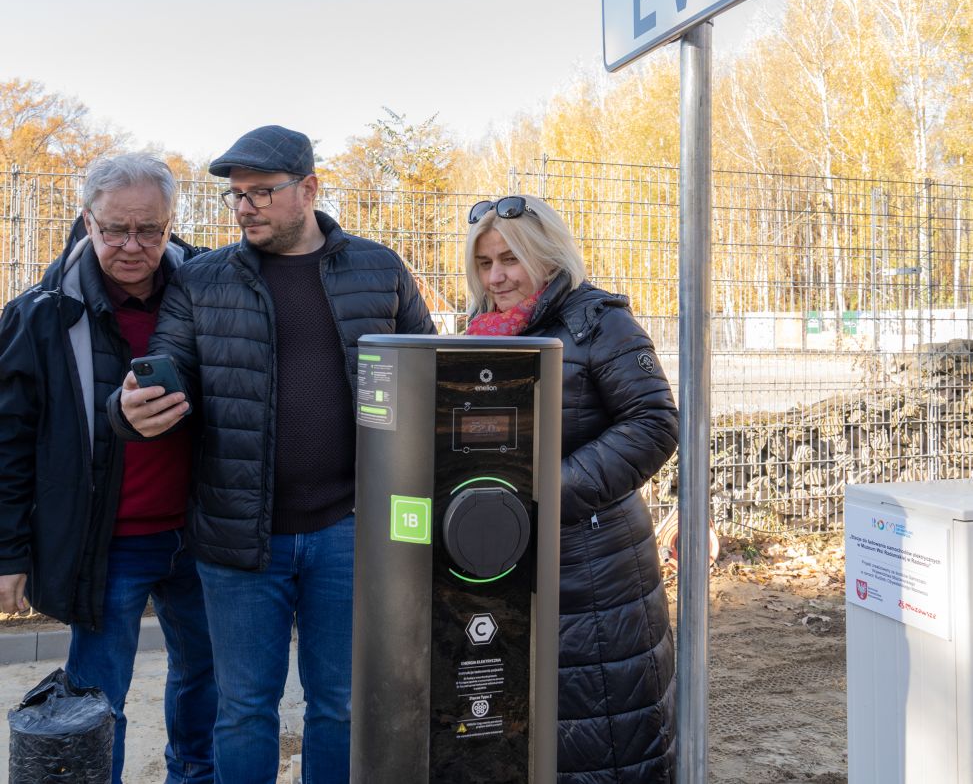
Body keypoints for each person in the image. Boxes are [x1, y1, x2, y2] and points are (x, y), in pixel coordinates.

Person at [112, 124, 437, 784]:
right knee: (242, 709)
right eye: (236, 196)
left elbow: (429, 377)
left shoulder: (379, 269)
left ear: (309, 188)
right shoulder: (202, 280)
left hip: (349, 530)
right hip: (237, 540)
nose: (245, 206)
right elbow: (169, 364)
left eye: (261, 191)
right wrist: (132, 408)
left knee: (341, 705)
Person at [0, 153, 217, 784]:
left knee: (204, 682)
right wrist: (8, 553)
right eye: (114, 229)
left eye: (148, 230)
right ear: (87, 221)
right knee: (97, 696)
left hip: (202, 535)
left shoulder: (209, 290)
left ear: (170, 222)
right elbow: (9, 443)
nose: (131, 245)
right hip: (108, 542)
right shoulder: (39, 313)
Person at [464, 193, 679, 783]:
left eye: (510, 258)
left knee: (601, 727)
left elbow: (654, 423)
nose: (498, 275)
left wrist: (547, 492)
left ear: (548, 254)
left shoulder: (599, 321)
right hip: (507, 554)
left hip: (592, 563)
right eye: (485, 263)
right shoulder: (482, 332)